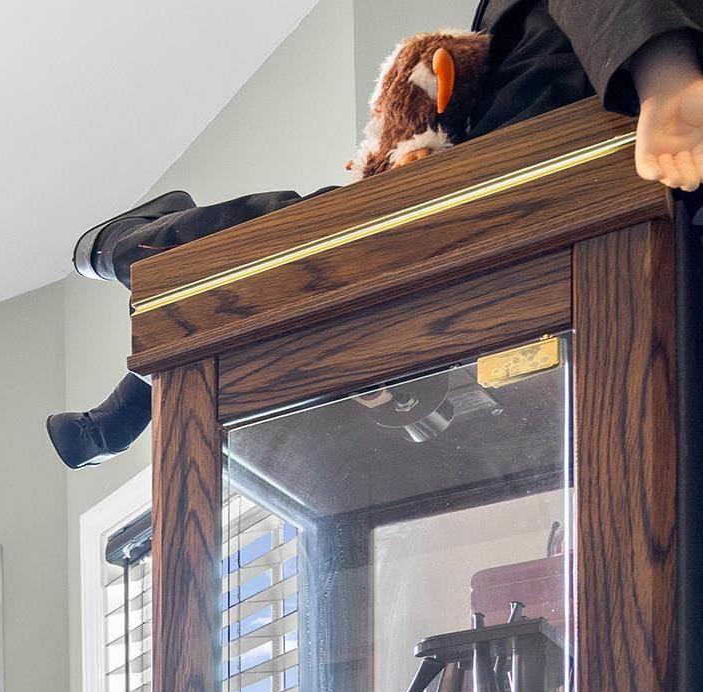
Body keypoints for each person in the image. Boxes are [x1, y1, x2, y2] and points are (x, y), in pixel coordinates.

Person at [48, 0, 703, 468]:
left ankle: (133, 265)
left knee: (275, 300)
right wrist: (665, 78)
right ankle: (135, 252)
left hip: (548, 210)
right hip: (509, 189)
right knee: (285, 261)